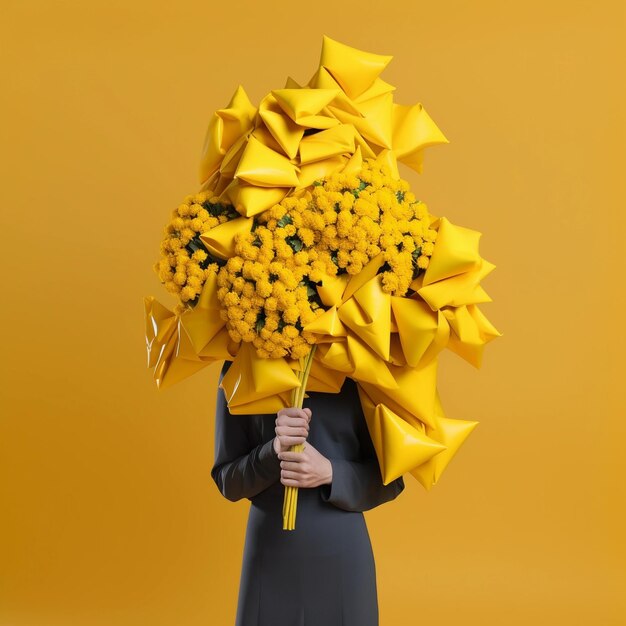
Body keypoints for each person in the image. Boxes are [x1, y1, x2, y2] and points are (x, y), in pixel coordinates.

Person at [211, 358, 405, 626]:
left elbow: (391, 479)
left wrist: (330, 472)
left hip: (342, 556)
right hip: (269, 555)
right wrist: (274, 450)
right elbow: (227, 481)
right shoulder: (241, 364)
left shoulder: (359, 366)